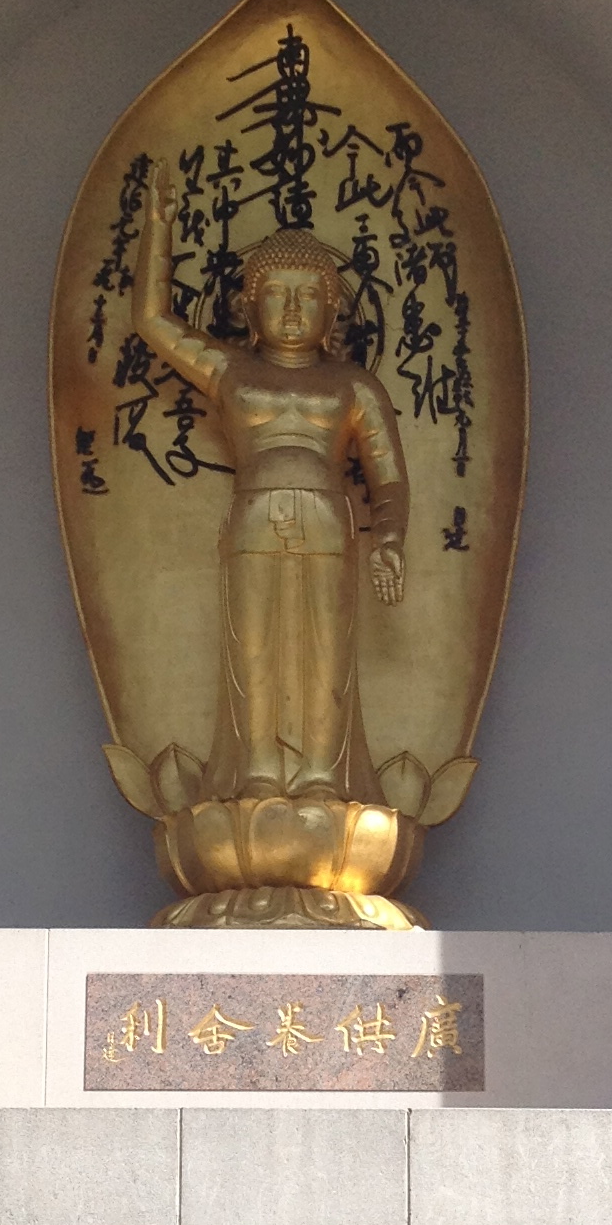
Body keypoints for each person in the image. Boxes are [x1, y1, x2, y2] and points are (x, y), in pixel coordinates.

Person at [132, 168, 408, 800]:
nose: (290, 310)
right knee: (253, 650)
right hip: (253, 517)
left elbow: (389, 477)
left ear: (332, 309)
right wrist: (158, 229)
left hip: (330, 524)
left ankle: (321, 777)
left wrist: (390, 537)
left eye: (307, 295)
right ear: (248, 307)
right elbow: (151, 319)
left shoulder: (353, 385)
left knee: (325, 654)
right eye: (276, 293)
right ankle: (256, 771)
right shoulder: (231, 369)